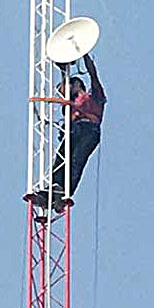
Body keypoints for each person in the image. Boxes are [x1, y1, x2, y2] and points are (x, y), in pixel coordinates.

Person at [36, 53, 106, 212]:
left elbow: (93, 75)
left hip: (89, 129)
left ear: (77, 85)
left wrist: (85, 55)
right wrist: (63, 69)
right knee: (61, 159)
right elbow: (64, 89)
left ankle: (65, 193)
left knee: (76, 160)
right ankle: (51, 192)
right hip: (75, 130)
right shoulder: (69, 106)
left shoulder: (93, 96)